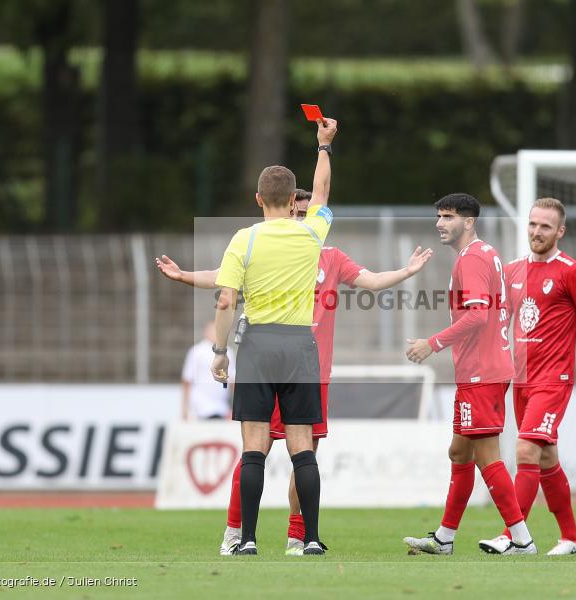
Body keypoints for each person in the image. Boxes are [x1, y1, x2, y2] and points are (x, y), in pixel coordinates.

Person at [156, 190, 433, 555]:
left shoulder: (331, 257)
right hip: (291, 356)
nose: (302, 218)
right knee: (258, 449)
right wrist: (186, 275)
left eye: (308, 213)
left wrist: (406, 272)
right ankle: (235, 532)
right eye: (297, 212)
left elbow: (372, 279)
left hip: (308, 368)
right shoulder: (276, 248)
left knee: (301, 453)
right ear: (288, 210)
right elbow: (223, 278)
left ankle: (296, 535)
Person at [207, 117, 338, 556]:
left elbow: (226, 301)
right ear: (290, 199)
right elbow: (321, 193)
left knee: (254, 449)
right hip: (301, 344)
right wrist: (324, 145)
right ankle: (312, 538)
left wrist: (220, 352)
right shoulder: (310, 232)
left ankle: (246, 539)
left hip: (259, 344)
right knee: (303, 448)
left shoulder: (243, 239)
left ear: (259, 198)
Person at [493, 196, 576, 556]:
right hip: (521, 381)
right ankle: (572, 538)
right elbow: (499, 325)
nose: (537, 232)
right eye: (533, 224)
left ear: (560, 232)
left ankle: (513, 536)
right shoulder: (511, 271)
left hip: (553, 380)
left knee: (524, 449)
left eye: (546, 227)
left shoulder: (571, 271)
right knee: (546, 459)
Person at [404, 193, 536, 556]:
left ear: (469, 221)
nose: (440, 224)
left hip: (482, 372)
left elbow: (478, 315)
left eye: (448, 217)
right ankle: (444, 538)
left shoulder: (473, 259)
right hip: (481, 369)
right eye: (439, 217)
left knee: (486, 455)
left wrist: (433, 343)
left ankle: (521, 539)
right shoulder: (486, 254)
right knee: (459, 452)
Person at [180, 320, 234, 420]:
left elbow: (232, 382)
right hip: (199, 408)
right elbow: (187, 381)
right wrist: (184, 409)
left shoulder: (228, 352)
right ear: (206, 332)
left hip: (221, 408)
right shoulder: (196, 351)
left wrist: (235, 409)